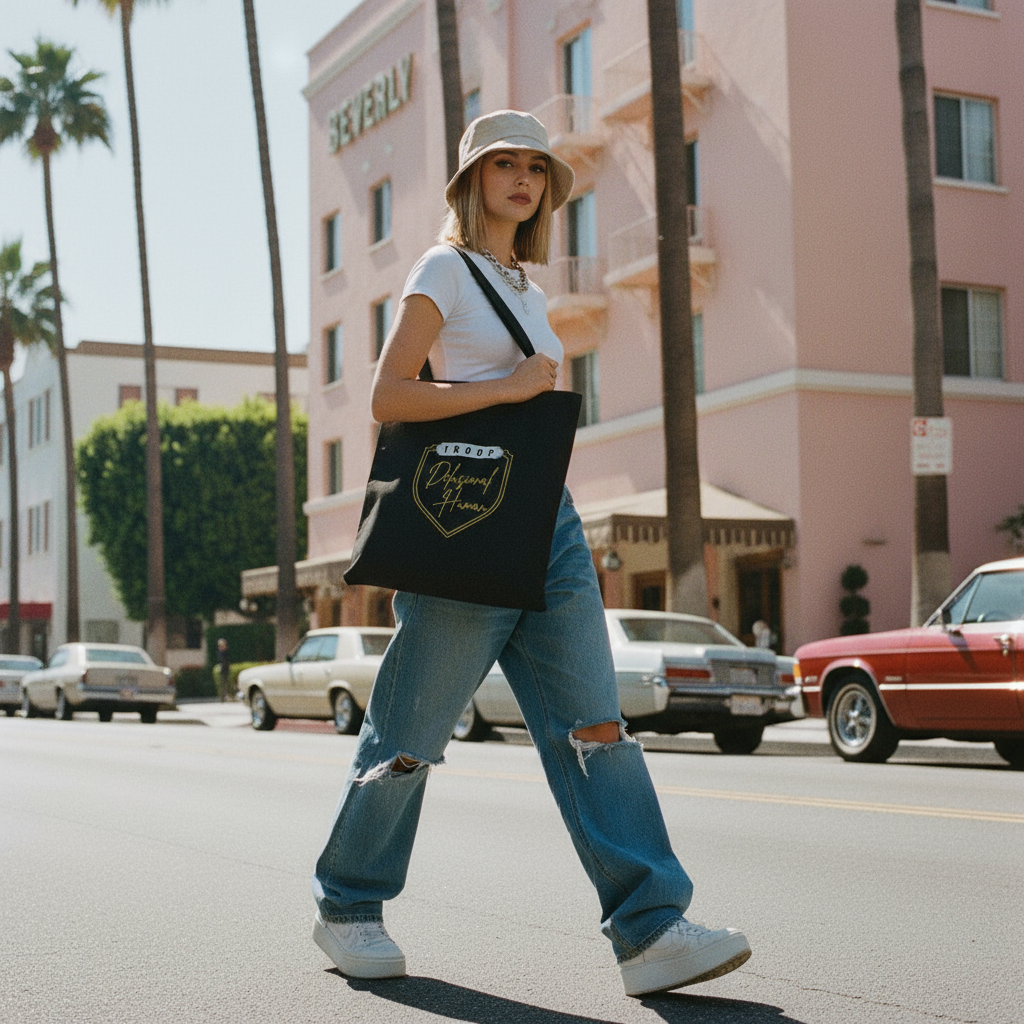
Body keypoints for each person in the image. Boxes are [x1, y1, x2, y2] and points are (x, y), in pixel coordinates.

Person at [311, 110, 751, 998]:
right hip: (467, 520)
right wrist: (507, 388)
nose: (521, 178)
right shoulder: (444, 267)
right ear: (471, 182)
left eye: (535, 167)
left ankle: (651, 929)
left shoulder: (526, 288)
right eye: (501, 163)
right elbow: (389, 396)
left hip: (550, 526)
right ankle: (349, 905)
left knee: (597, 727)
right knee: (409, 738)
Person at [216, 637, 231, 702]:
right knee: (223, 683)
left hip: (226, 668)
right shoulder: (221, 652)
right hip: (223, 669)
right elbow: (222, 660)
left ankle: (225, 696)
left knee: (226, 683)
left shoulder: (225, 652)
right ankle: (223, 697)